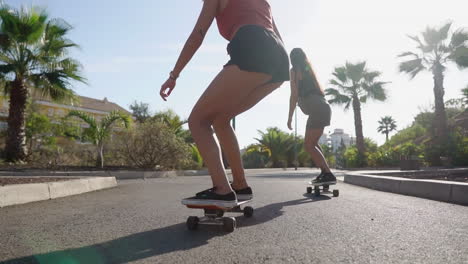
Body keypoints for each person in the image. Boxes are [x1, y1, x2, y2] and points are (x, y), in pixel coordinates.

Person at [160, 0, 289, 206]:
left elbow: (197, 35)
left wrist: (174, 75)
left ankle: (222, 190)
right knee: (221, 120)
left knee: (197, 121)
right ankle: (240, 185)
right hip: (280, 59)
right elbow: (275, 35)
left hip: (252, 46)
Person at [287, 48, 336, 184]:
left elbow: (294, 95)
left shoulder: (294, 71)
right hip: (324, 108)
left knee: (308, 145)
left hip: (317, 109)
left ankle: (327, 173)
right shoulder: (309, 70)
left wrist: (290, 117)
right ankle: (324, 172)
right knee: (312, 143)